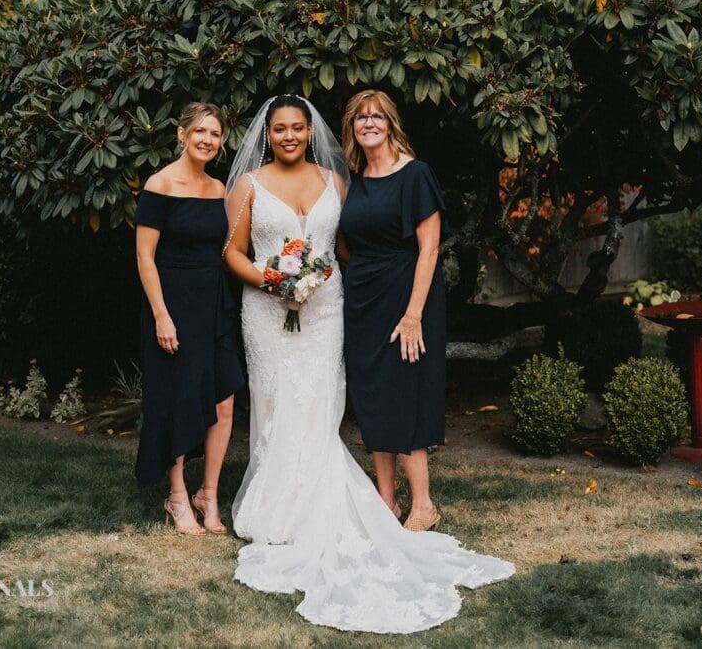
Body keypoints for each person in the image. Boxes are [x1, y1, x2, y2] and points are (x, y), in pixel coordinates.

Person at [223, 94, 514, 633]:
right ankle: (358, 498)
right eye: (360, 118)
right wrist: (285, 277)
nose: (289, 135)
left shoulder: (363, 178)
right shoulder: (318, 181)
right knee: (325, 397)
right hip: (326, 301)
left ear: (311, 132)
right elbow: (318, 247)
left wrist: (400, 308)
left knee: (344, 396)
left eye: (298, 127)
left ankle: (419, 501)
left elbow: (414, 247)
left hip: (365, 299)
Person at [338, 89, 447, 531]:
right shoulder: (356, 180)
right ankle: (387, 500)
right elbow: (345, 242)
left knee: (403, 393)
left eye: (376, 117)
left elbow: (430, 248)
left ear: (390, 124)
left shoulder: (416, 175)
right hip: (363, 298)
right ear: (352, 128)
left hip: (408, 296)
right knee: (371, 396)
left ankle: (423, 504)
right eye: (360, 117)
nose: (368, 123)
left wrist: (413, 313)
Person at [134, 102, 244, 536]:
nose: (207, 140)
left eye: (214, 134)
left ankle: (209, 494)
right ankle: (177, 495)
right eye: (199, 131)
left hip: (214, 303)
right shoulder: (159, 184)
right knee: (179, 398)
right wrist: (161, 316)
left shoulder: (219, 189)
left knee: (225, 398)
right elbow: (144, 256)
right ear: (181, 134)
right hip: (172, 304)